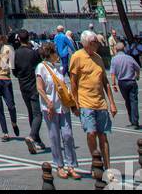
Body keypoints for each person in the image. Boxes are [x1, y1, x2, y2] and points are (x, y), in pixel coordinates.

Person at [69, 29, 118, 172]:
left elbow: (105, 81)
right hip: (85, 102)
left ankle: (108, 168)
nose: (97, 44)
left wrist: (112, 104)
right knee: (91, 133)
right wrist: (75, 104)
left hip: (100, 103)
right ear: (85, 44)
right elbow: (73, 82)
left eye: (96, 42)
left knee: (103, 136)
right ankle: (96, 160)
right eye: (94, 42)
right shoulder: (77, 57)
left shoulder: (98, 58)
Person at [35, 40, 81, 180]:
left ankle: (71, 165)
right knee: (54, 137)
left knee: (67, 135)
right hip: (50, 108)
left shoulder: (60, 67)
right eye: (55, 52)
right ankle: (59, 166)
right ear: (50, 54)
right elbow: (39, 88)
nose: (58, 54)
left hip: (63, 107)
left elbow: (65, 87)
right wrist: (48, 102)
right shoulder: (41, 68)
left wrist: (73, 104)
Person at [12, 30, 46, 155]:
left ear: (19, 39)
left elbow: (14, 72)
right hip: (34, 86)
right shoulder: (33, 53)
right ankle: (32, 136)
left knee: (31, 113)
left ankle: (37, 139)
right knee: (38, 114)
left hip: (23, 86)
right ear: (29, 38)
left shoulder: (15, 54)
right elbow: (40, 65)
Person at [109, 38, 140, 129]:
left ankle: (131, 119)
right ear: (124, 49)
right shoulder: (129, 58)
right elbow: (137, 67)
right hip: (131, 81)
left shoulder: (114, 59)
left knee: (127, 101)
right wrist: (137, 76)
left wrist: (114, 84)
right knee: (133, 101)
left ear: (116, 50)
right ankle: (135, 121)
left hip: (122, 82)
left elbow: (113, 73)